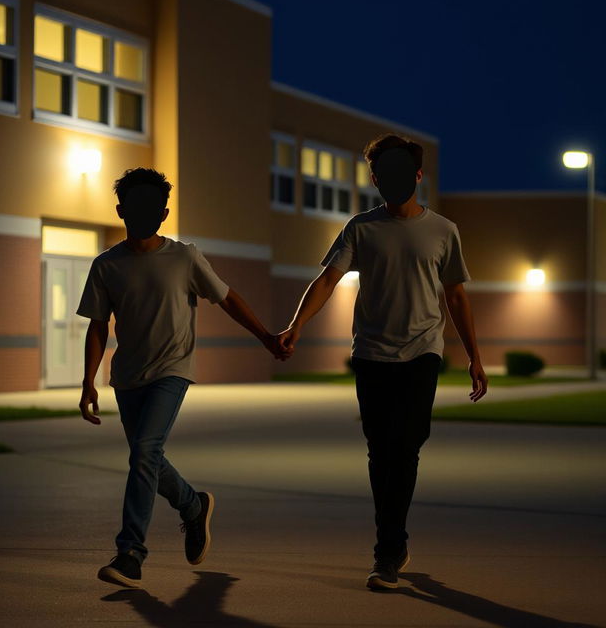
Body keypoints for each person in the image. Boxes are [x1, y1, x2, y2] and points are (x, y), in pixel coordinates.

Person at [277, 133, 488, 591]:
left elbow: (455, 295)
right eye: (381, 173)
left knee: (406, 447)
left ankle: (388, 550)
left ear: (417, 176)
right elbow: (328, 279)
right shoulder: (361, 227)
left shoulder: (443, 230)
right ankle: (390, 545)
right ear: (375, 179)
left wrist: (475, 356)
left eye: (400, 172)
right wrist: (296, 325)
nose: (390, 180)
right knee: (381, 451)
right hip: (372, 354)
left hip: (421, 352)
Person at [76, 168, 289, 589]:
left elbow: (227, 298)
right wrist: (89, 382)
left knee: (144, 453)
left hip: (172, 371)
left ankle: (130, 553)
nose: (142, 213)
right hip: (127, 378)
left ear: (164, 212)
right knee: (147, 457)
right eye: (134, 206)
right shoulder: (107, 265)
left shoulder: (185, 257)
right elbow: (97, 325)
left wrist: (266, 336)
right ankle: (193, 507)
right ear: (120, 211)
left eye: (151, 207)